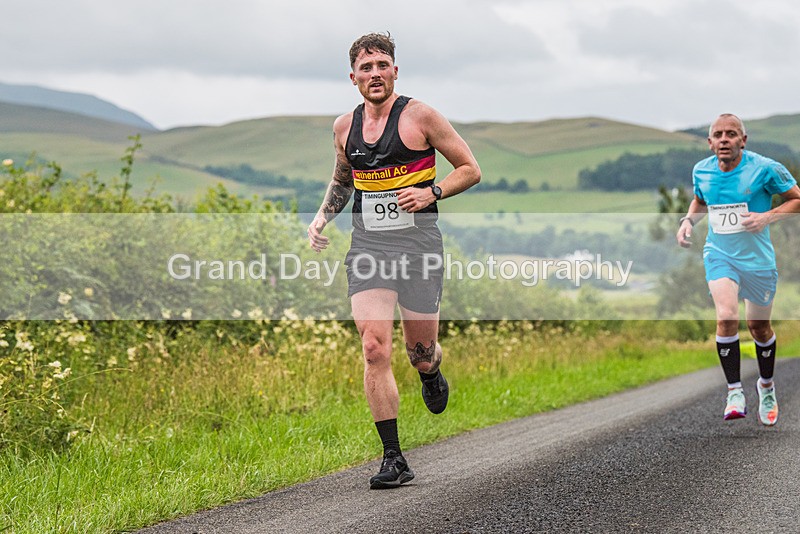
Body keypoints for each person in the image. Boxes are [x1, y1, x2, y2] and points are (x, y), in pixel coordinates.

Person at [307, 32, 480, 488]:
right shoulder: (344, 127)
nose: (375, 74)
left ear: (395, 71)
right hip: (369, 247)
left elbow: (470, 169)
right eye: (366, 68)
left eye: (382, 65)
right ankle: (394, 458)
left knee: (419, 353)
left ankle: (432, 372)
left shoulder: (421, 116)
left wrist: (432, 192)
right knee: (373, 346)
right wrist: (322, 217)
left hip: (419, 246)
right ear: (353, 78)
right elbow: (344, 179)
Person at [676, 113, 800, 426]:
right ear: (710, 142)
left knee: (759, 327)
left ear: (743, 140)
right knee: (726, 316)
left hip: (757, 261)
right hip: (720, 254)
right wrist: (688, 221)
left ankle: (766, 387)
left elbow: (797, 200)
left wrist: (767, 217)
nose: (724, 140)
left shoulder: (766, 168)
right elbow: (700, 201)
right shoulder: (701, 170)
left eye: (731, 134)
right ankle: (734, 391)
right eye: (718, 135)